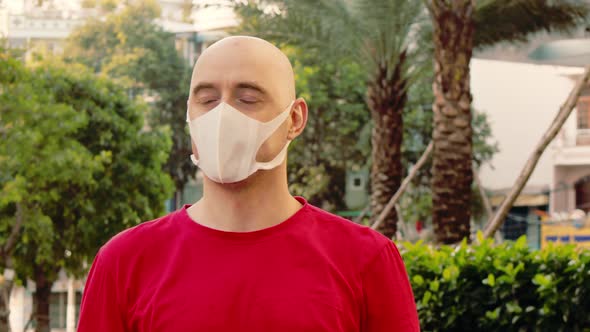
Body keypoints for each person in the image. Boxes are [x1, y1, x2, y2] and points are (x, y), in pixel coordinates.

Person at [77, 36, 420, 332]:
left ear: (295, 119)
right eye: (207, 100)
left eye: (248, 99)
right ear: (189, 114)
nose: (222, 116)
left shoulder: (366, 261)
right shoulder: (124, 262)